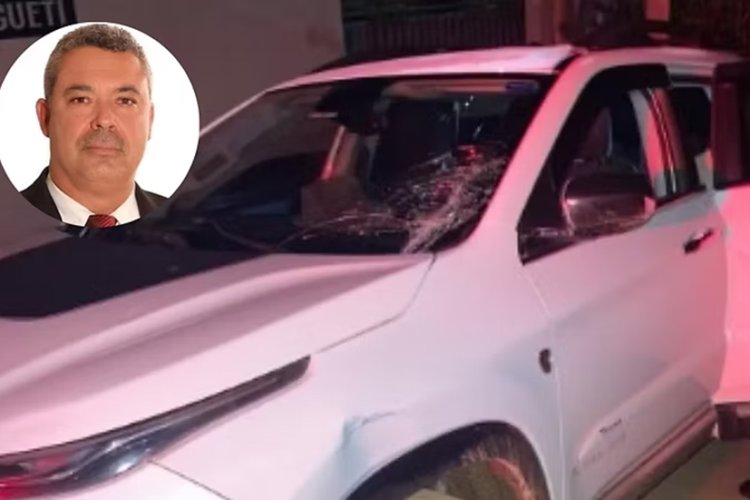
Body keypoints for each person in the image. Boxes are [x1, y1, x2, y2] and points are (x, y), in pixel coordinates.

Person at [22, 23, 164, 228]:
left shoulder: (189, 223)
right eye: (81, 100)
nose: (104, 120)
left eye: (125, 101)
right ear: (45, 117)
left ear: (149, 120)